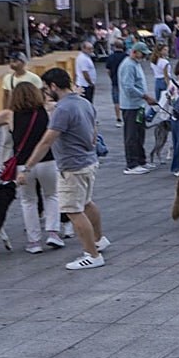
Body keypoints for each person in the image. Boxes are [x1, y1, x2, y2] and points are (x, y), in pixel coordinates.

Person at [17, 68, 110, 270]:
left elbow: (46, 141)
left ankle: (92, 255)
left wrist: (27, 167)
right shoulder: (84, 103)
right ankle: (99, 240)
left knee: (73, 211)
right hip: (88, 161)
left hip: (71, 166)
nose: (45, 93)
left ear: (53, 86)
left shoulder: (63, 109)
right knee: (86, 203)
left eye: (45, 88)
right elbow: (94, 134)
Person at [0, 82, 57, 252]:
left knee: (28, 201)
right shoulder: (47, 109)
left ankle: (34, 242)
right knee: (51, 196)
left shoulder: (9, 114)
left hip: (23, 165)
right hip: (48, 161)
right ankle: (53, 233)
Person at [118, 42, 156, 175]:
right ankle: (131, 164)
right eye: (143, 53)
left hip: (138, 105)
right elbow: (128, 87)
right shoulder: (128, 65)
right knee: (132, 135)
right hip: (131, 106)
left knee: (140, 133)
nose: (144, 56)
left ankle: (141, 160)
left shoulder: (135, 64)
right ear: (135, 52)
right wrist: (145, 96)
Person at [106, 38, 127, 123]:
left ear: (114, 47)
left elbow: (108, 70)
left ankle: (118, 118)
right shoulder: (126, 57)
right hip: (125, 81)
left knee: (116, 101)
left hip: (115, 80)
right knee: (125, 99)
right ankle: (125, 116)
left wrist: (111, 77)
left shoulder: (111, 57)